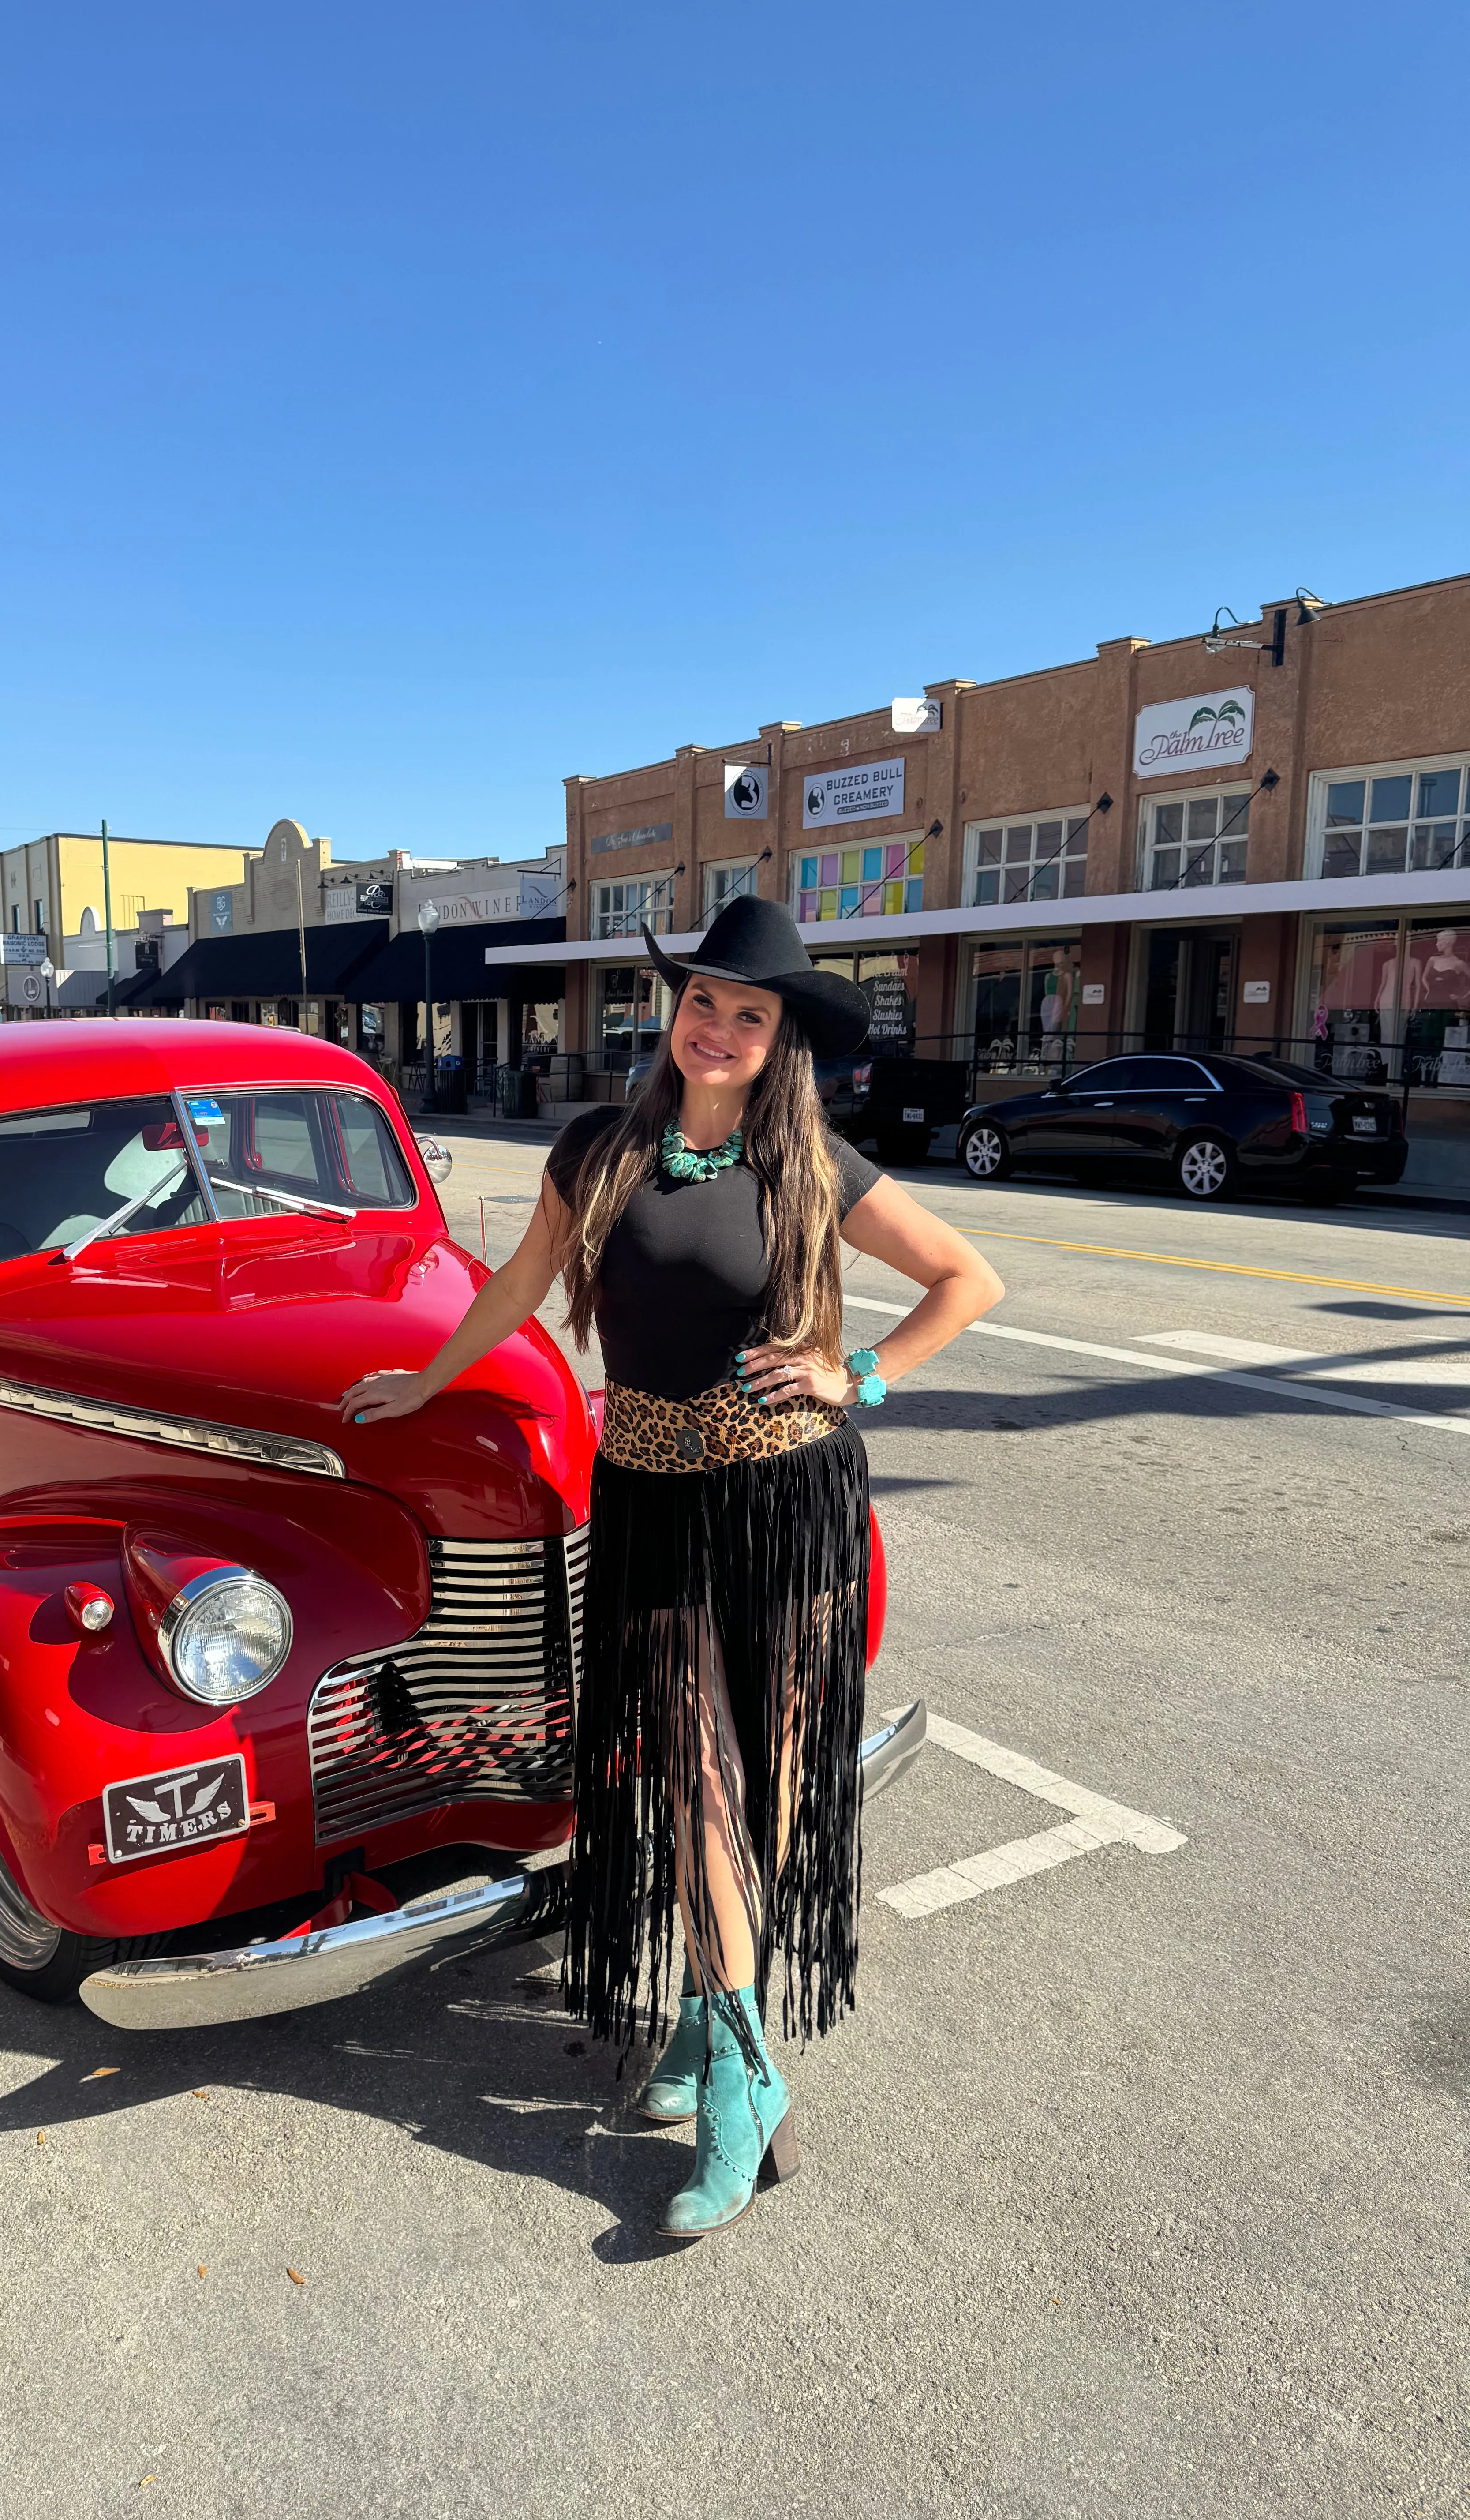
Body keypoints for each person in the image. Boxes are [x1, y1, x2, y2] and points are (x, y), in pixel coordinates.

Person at [342, 897, 1002, 2242]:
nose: (717, 1027)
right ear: (675, 1009)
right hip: (646, 1498)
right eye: (704, 1001)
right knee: (693, 1776)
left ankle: (716, 2033)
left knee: (764, 1786)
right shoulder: (596, 1148)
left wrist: (857, 1371)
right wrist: (425, 1381)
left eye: (747, 1015)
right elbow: (523, 1279)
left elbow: (965, 1280)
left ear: (778, 1041)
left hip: (787, 1499)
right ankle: (746, 2081)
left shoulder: (811, 1162)